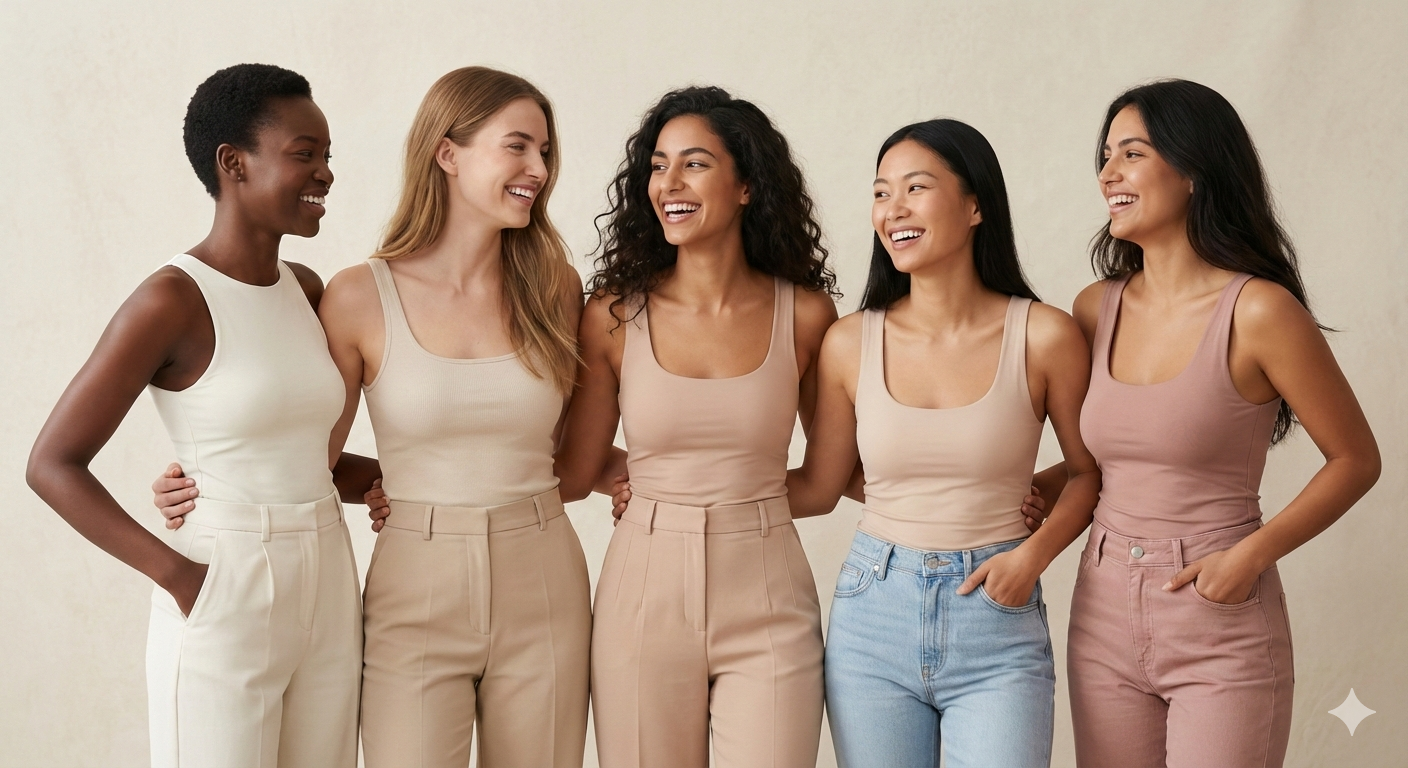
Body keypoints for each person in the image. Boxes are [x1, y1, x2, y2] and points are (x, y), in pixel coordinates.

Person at [28, 64, 372, 768]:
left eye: (328, 157)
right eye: (305, 155)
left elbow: (309, 456)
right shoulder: (172, 300)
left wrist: (396, 482)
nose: (326, 174)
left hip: (330, 576)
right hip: (225, 577)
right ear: (233, 164)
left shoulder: (306, 290)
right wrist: (182, 578)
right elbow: (51, 464)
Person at [1066, 79, 1381, 768]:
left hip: (1218, 611)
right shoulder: (1094, 309)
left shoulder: (1261, 312)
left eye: (1133, 153)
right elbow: (1114, 458)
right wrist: (1041, 485)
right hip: (1102, 607)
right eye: (1106, 154)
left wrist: (1251, 555)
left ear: (1193, 170)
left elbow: (1356, 459)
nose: (1108, 173)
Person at [783, 119, 1099, 768]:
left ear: (976, 204)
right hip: (874, 606)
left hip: (996, 611)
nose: (891, 208)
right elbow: (831, 477)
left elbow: (1089, 471)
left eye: (915, 188)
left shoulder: (1045, 336)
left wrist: (1031, 557)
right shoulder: (849, 343)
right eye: (879, 192)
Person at [552, 86, 838, 768]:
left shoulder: (804, 316)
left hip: (768, 589)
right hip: (643, 593)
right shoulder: (614, 315)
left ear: (746, 186)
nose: (668, 183)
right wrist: (654, 491)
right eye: (657, 165)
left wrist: (735, 505)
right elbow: (578, 467)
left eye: (695, 164)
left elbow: (825, 484)